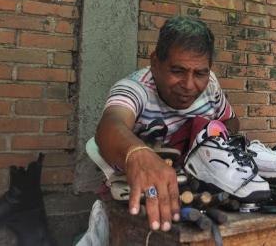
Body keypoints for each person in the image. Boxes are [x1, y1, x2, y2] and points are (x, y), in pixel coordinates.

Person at [95, 16, 239, 232]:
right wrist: (138, 154)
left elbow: (231, 121)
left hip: (197, 193)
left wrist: (207, 140)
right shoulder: (135, 89)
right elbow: (110, 125)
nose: (189, 85)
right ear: (155, 63)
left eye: (200, 73)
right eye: (177, 71)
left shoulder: (210, 86)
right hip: (140, 196)